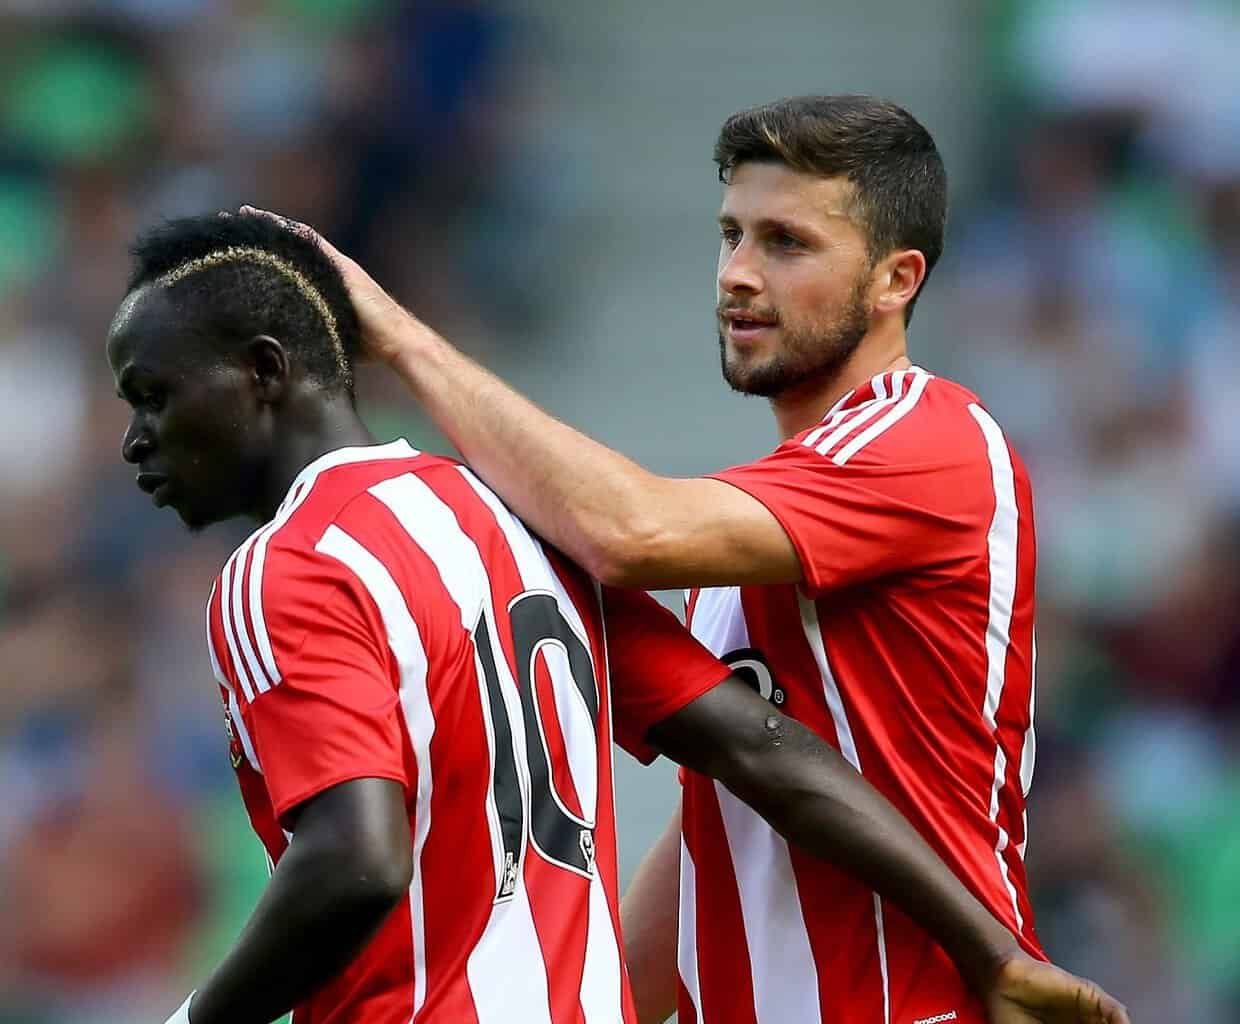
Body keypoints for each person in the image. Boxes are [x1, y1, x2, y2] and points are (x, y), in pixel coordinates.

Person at [247, 95, 1087, 1024]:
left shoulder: (929, 438)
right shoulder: (767, 516)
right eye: (731, 235)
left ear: (897, 281)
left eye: (787, 243)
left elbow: (626, 533)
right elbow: (723, 816)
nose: (737, 274)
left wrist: (400, 339)